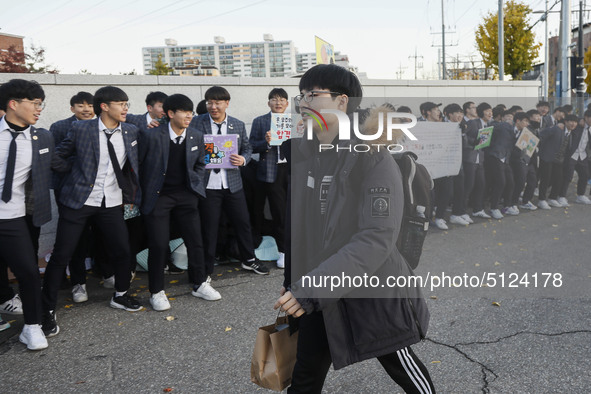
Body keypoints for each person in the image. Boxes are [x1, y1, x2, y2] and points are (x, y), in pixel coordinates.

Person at [274, 64, 434, 393]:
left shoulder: (372, 157)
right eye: (301, 95)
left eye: (313, 95)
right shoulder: (309, 155)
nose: (303, 103)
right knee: (304, 378)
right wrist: (295, 282)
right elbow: (303, 232)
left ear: (342, 101)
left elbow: (376, 239)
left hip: (371, 289)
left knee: (402, 366)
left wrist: (311, 287)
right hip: (319, 291)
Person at [43, 85, 143, 337]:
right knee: (62, 254)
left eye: (127, 104)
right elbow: (58, 156)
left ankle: (120, 295)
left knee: (122, 250)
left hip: (111, 202)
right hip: (78, 201)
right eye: (121, 104)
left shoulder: (131, 130)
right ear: (105, 106)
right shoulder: (81, 128)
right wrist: (71, 177)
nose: (126, 108)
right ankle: (46, 308)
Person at [139, 94, 218, 310]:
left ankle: (200, 283)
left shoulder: (195, 135)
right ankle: (156, 291)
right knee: (157, 244)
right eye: (184, 111)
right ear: (170, 114)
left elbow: (201, 164)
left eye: (191, 111)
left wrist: (195, 186)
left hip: (186, 195)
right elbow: (139, 166)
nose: (189, 116)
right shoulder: (152, 135)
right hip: (159, 197)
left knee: (195, 240)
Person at [191, 86, 270, 276]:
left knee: (242, 223)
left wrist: (243, 159)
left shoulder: (238, 124)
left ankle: (249, 259)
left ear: (226, 103)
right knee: (209, 227)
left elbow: (247, 148)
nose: (213, 107)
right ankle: (206, 268)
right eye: (210, 102)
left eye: (217, 103)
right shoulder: (196, 123)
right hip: (208, 185)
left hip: (233, 184)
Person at [0, 79, 53, 350]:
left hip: (13, 216)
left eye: (40, 103)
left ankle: (32, 327)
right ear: (13, 104)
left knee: (29, 273)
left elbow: (58, 162)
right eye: (34, 103)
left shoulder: (41, 137)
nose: (39, 108)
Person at [49, 91, 95, 303]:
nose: (86, 109)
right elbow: (54, 158)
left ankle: (107, 272)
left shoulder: (106, 126)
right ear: (72, 108)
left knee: (104, 234)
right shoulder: (60, 127)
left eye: (89, 105)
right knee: (75, 239)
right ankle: (78, 282)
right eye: (80, 105)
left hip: (101, 193)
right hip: (70, 191)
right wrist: (74, 170)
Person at [249, 88, 290, 267]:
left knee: (293, 211)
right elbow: (250, 146)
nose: (278, 102)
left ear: (287, 104)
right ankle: (283, 251)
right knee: (278, 212)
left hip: (291, 169)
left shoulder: (294, 121)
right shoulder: (260, 121)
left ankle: (295, 247)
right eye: (274, 99)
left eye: (282, 100)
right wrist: (265, 142)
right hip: (271, 171)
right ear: (269, 103)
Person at [444, 103, 471, 226]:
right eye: (457, 113)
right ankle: (440, 215)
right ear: (450, 115)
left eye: (461, 113)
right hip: (446, 163)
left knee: (461, 188)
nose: (460, 115)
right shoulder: (444, 127)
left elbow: (464, 145)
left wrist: (464, 133)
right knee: (447, 191)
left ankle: (457, 214)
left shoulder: (461, 126)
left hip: (459, 162)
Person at [464, 102, 492, 219]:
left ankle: (478, 209)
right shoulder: (472, 123)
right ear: (481, 112)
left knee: (481, 184)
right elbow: (464, 136)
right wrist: (474, 142)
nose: (490, 113)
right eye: (487, 111)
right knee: (468, 186)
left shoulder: (487, 125)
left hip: (479, 159)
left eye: (491, 111)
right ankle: (461, 211)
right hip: (469, 158)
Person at [558, 113, 591, 205]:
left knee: (584, 175)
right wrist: (560, 124)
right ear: (586, 117)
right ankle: (561, 196)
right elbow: (567, 121)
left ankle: (580, 195)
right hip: (571, 155)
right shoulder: (578, 124)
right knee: (568, 176)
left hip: (583, 155)